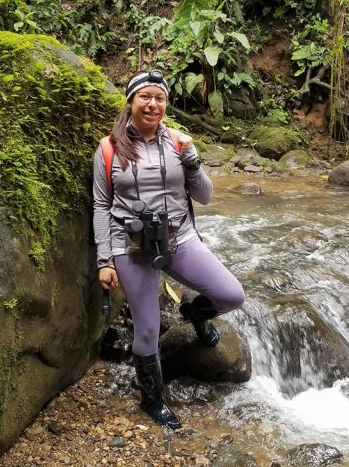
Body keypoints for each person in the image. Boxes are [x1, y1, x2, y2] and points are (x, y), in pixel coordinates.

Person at [92, 69, 245, 429]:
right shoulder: (108, 148)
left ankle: (195, 313)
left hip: (179, 239)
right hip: (131, 248)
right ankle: (153, 399)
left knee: (231, 295)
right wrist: (104, 260)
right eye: (145, 96)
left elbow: (205, 196)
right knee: (147, 331)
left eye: (159, 98)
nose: (153, 104)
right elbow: (101, 205)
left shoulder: (178, 143)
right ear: (130, 102)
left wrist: (191, 158)